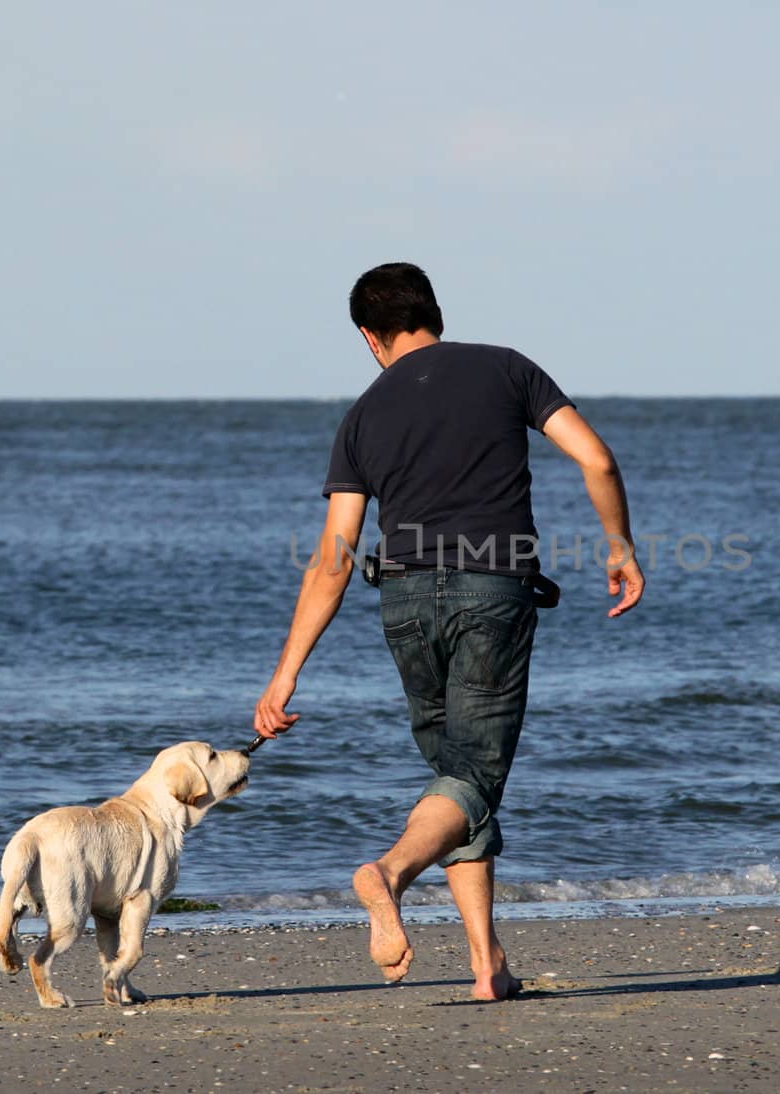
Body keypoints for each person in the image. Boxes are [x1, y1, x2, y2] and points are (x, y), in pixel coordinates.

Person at [253, 262, 643, 1001]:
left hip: (401, 600)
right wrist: (619, 548)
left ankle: (487, 966)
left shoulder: (362, 415)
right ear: (435, 312)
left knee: (456, 779)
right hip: (492, 593)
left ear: (370, 337)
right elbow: (596, 457)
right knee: (472, 778)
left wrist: (285, 673)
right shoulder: (507, 369)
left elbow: (333, 557)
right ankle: (389, 873)